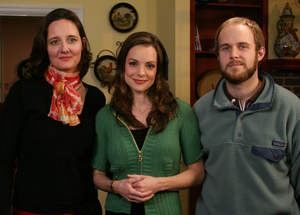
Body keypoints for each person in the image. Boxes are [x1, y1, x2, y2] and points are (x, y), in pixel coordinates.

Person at [0, 8, 106, 215]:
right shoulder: (23, 92)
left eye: (71, 40)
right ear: (45, 48)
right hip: (31, 209)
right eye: (54, 41)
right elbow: (3, 160)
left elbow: (99, 161)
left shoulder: (96, 98)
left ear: (83, 44)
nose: (64, 48)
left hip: (83, 209)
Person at [194, 17, 300, 215]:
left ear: (260, 53)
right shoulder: (200, 110)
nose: (233, 55)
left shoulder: (291, 108)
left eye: (242, 46)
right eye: (225, 48)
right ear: (217, 55)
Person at [92, 31, 204, 215]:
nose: (140, 73)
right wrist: (116, 186)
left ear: (158, 71)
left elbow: (197, 172)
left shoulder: (181, 112)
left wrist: (159, 184)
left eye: (150, 66)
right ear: (122, 66)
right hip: (117, 211)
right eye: (133, 63)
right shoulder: (105, 116)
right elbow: (97, 175)